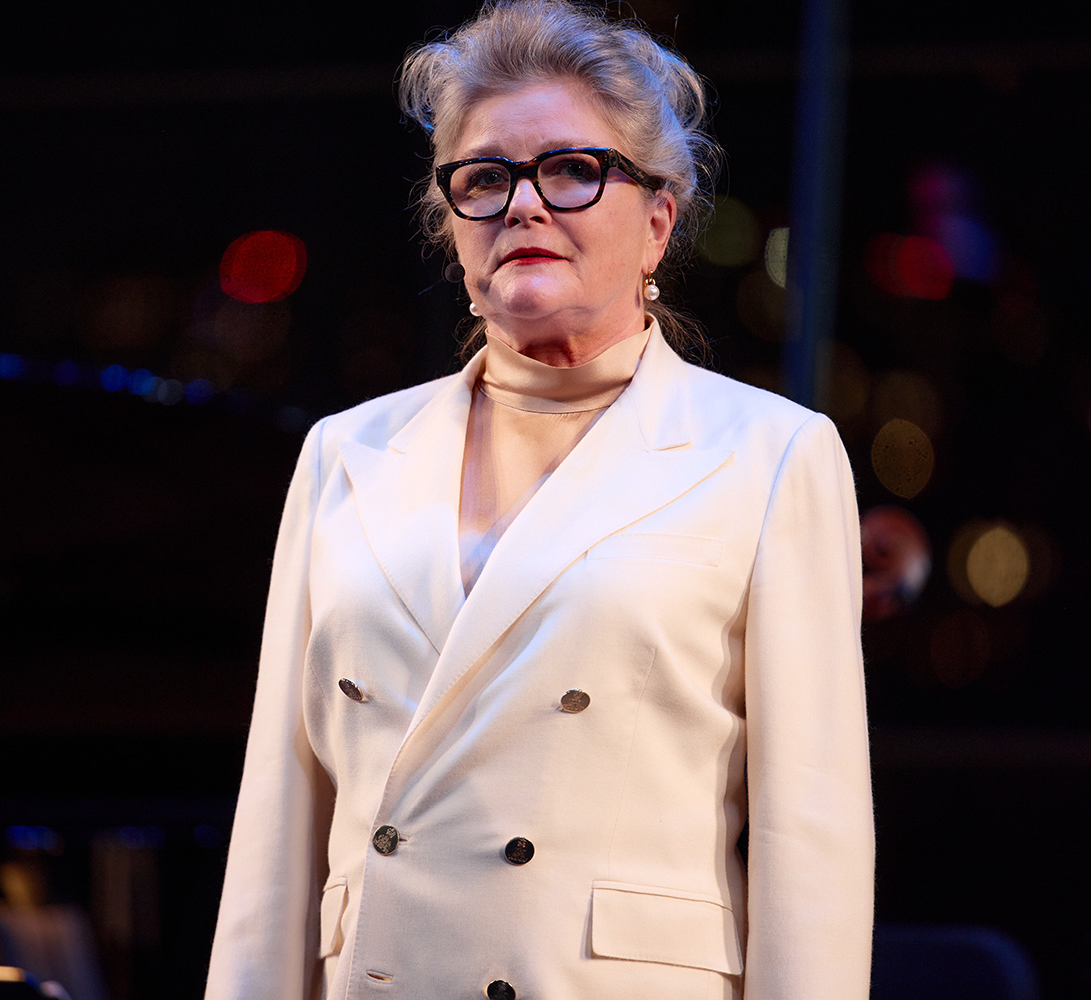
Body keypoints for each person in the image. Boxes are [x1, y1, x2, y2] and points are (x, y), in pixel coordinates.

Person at [204, 2, 874, 998]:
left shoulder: (770, 455)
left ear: (657, 224)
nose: (523, 204)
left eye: (570, 169)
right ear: (451, 227)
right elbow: (276, 826)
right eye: (485, 178)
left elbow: (811, 848)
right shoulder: (346, 453)